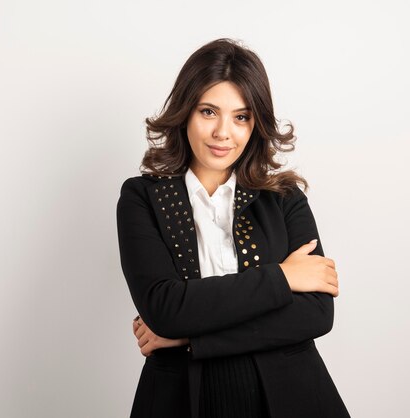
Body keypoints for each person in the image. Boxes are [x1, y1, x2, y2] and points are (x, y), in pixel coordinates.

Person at [116, 38, 350, 418]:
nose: (224, 132)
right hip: (181, 399)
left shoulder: (285, 197)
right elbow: (165, 309)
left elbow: (316, 315)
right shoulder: (142, 197)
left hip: (291, 396)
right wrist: (282, 278)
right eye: (209, 111)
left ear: (256, 124)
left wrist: (191, 337)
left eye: (241, 116)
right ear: (184, 112)